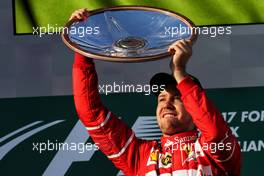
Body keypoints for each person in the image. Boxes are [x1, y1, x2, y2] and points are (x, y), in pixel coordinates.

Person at [71, 9, 241, 176]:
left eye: (176, 98)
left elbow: (215, 133)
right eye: (161, 98)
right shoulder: (140, 157)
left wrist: (179, 72)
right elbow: (91, 114)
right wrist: (84, 45)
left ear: (193, 108)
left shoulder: (213, 152)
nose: (166, 104)